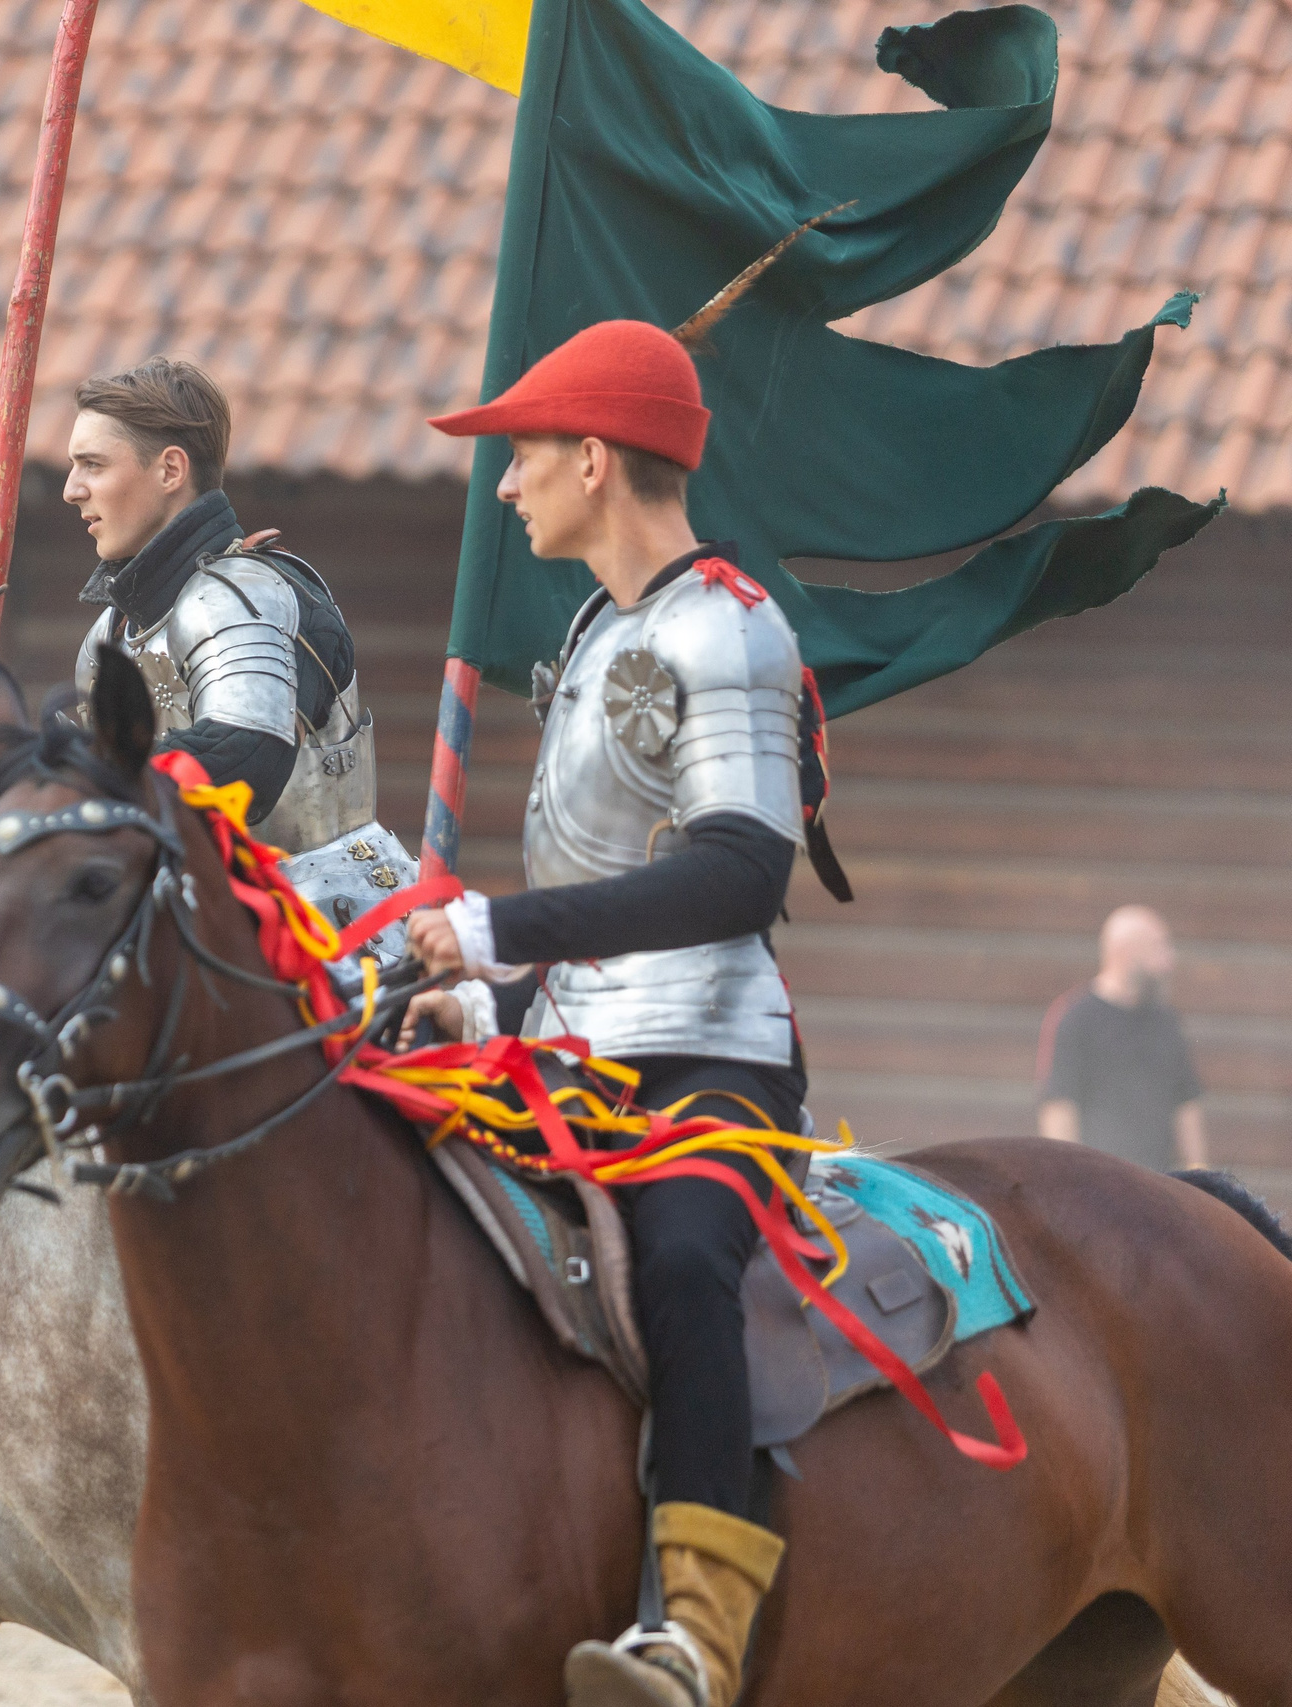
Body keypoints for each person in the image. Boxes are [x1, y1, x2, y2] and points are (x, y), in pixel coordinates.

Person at [410, 320, 801, 1707]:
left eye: (522, 457)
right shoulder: (594, 627)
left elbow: (742, 870)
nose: (506, 484)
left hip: (709, 1062)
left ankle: (696, 1633)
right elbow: (602, 900)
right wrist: (484, 994)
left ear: (593, 459)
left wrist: (500, 928)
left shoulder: (727, 625)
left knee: (685, 1260)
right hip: (565, 1046)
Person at [63, 356, 418, 962]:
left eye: (93, 464)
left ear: (170, 469)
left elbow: (245, 755)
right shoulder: (112, 635)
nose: (73, 489)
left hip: (332, 926)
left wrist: (74, 785)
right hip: (192, 922)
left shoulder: (241, 596)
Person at [1038, 904, 1207, 1170]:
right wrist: (1067, 1175)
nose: (1170, 961)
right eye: (1159, 947)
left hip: (1158, 1180)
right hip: (1097, 1180)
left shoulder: (1167, 1021)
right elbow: (1059, 1107)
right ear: (1127, 951)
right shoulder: (1076, 1018)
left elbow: (1186, 1103)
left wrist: (1199, 1170)